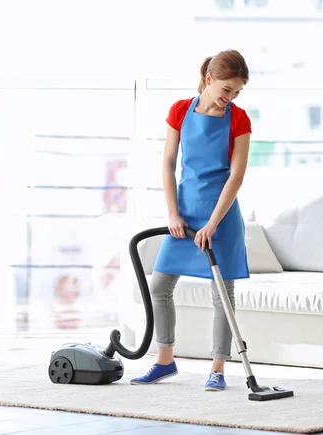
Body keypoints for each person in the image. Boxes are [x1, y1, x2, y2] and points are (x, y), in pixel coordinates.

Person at [130, 49, 252, 391]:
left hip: (222, 216)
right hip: (183, 214)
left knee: (222, 296)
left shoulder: (239, 119)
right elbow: (168, 164)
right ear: (209, 79)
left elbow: (236, 177)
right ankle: (165, 361)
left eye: (237, 92)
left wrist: (213, 224)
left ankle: (218, 369)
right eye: (226, 89)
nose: (230, 98)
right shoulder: (180, 111)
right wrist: (172, 213)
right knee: (159, 286)